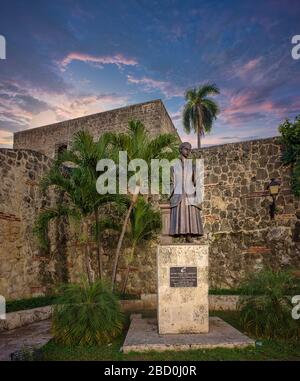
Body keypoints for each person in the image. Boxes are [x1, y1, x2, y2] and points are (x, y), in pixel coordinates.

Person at [169, 142, 204, 242]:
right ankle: (180, 233)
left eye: (190, 150)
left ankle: (189, 235)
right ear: (181, 150)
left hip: (190, 193)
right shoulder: (174, 166)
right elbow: (171, 181)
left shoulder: (193, 166)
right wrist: (168, 195)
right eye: (186, 149)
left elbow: (196, 182)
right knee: (180, 211)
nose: (188, 152)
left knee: (190, 212)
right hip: (178, 193)